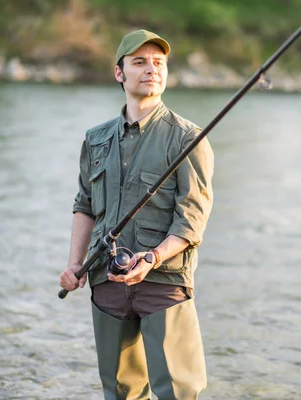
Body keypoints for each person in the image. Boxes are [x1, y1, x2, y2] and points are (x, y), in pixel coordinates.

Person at [59, 29, 214, 400]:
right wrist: (74, 264)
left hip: (164, 284)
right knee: (120, 391)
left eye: (158, 63)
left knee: (179, 391)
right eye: (140, 62)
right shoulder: (95, 139)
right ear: (119, 73)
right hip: (106, 281)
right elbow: (84, 205)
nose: (151, 70)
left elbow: (192, 220)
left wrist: (153, 257)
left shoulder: (189, 138)